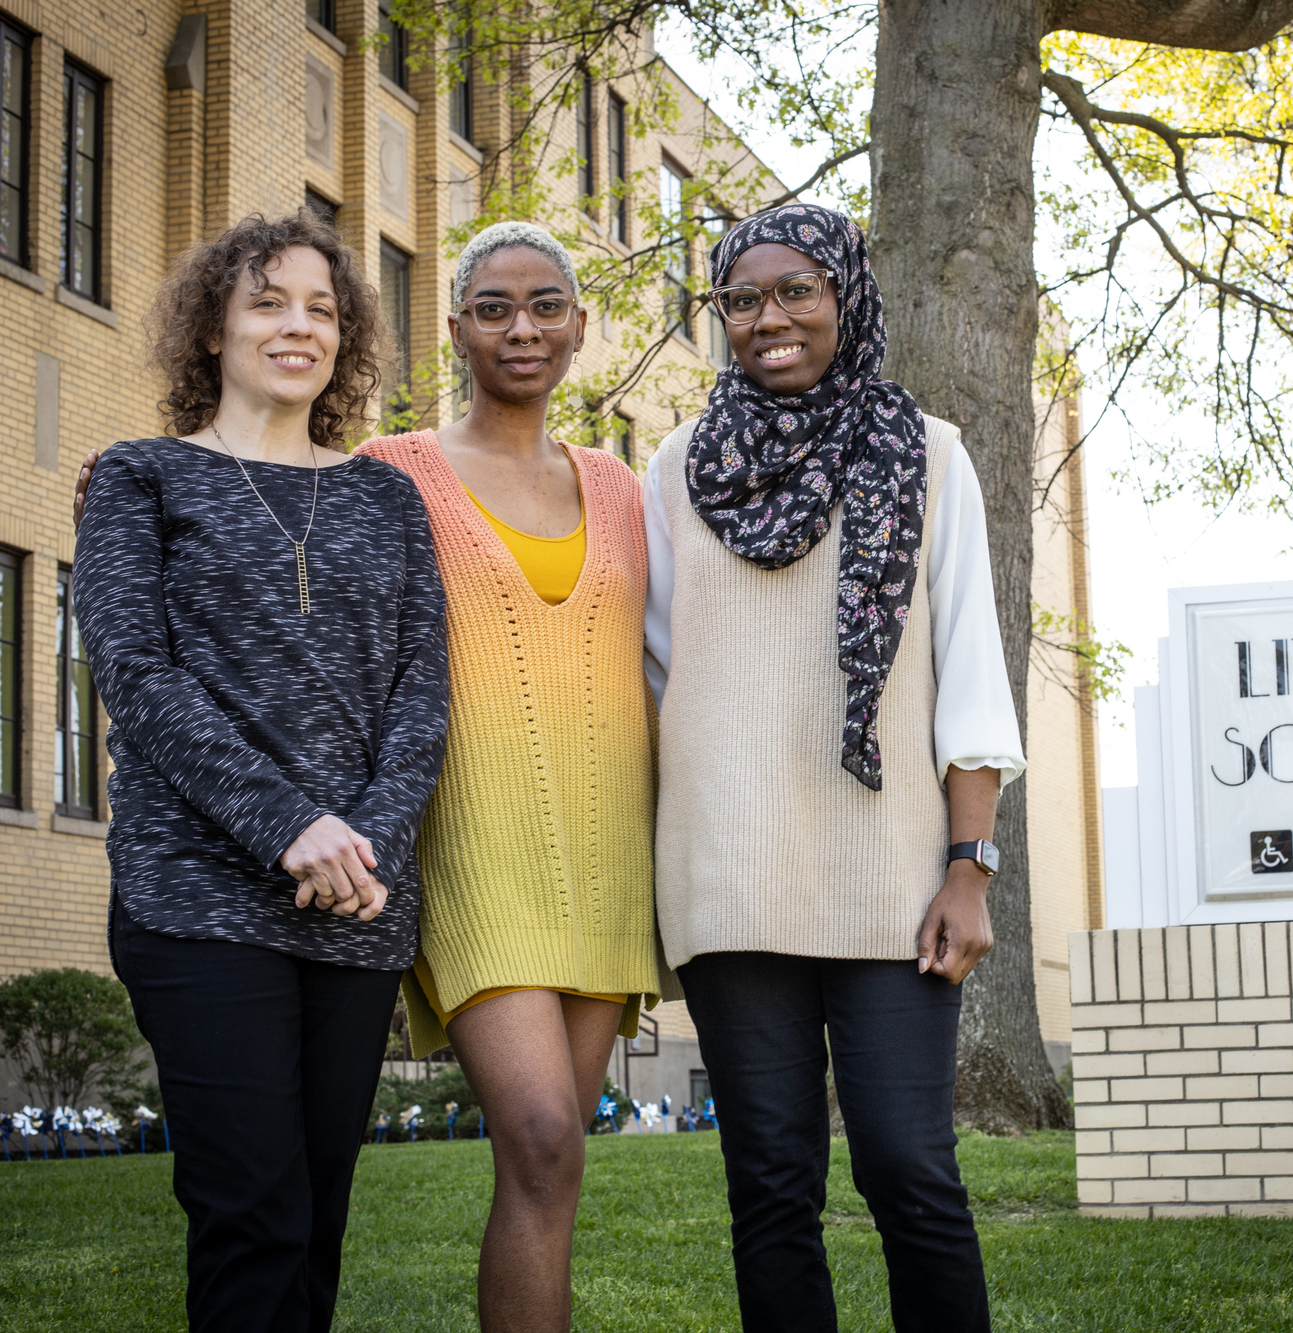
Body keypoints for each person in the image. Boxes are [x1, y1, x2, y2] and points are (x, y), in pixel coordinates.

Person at [643, 203, 1024, 1332]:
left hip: (892, 882)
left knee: (909, 1169)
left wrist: (970, 865)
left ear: (846, 293)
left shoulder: (929, 453)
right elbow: (660, 679)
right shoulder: (675, 467)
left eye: (796, 289)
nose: (769, 319)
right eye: (743, 299)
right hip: (727, 875)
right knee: (769, 1189)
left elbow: (970, 676)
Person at [71, 212, 449, 1333]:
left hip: (356, 902)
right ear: (213, 330)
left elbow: (422, 689)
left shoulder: (388, 496)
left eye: (322, 309)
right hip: (195, 897)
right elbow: (137, 678)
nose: (300, 327)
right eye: (269, 302)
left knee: (317, 1215)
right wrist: (292, 826)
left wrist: (361, 841)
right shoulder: (140, 481)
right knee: (251, 1213)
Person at [356, 221, 664, 1333]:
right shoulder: (391, 472)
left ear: (579, 327)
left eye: (543, 305)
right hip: (474, 848)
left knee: (555, 1163)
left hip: (608, 854)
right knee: (536, 1133)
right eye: (492, 307)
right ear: (454, 330)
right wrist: (149, 470)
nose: (520, 327)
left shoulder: (627, 490)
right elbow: (275, 510)